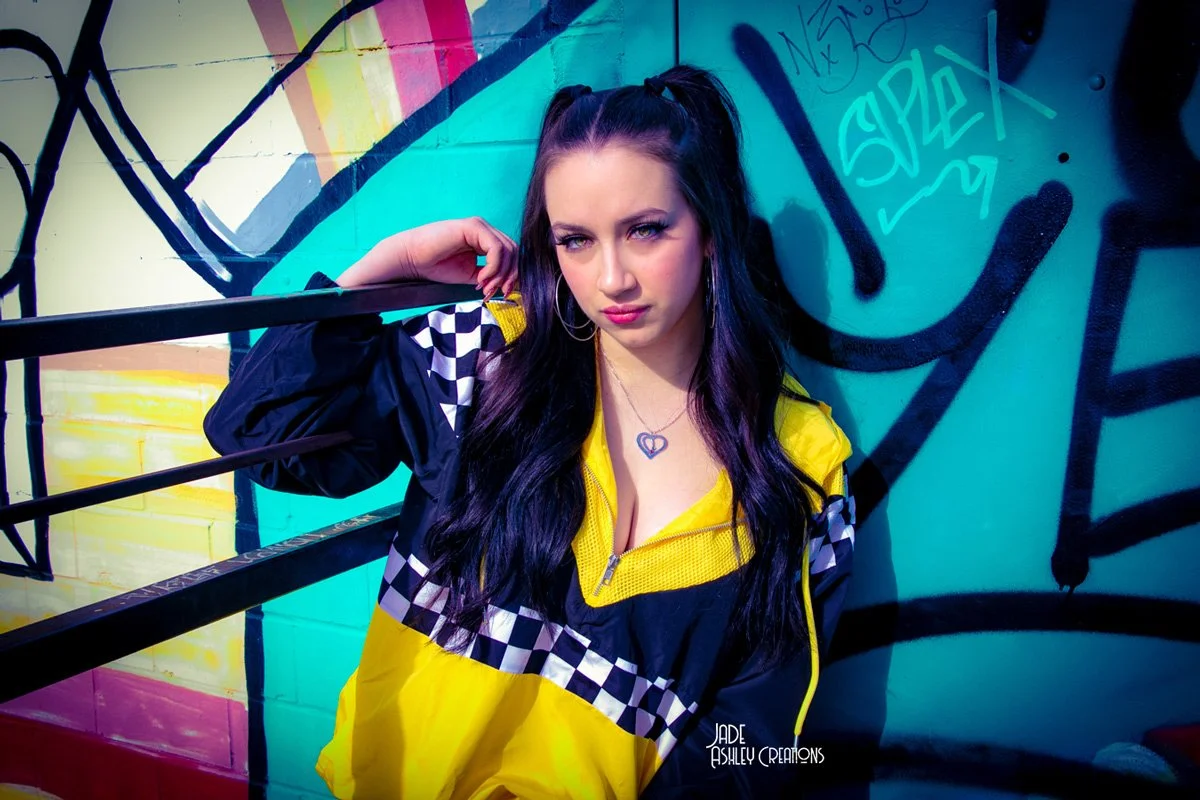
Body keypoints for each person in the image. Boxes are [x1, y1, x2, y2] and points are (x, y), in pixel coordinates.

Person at [204, 65, 855, 798]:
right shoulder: (487, 366)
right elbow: (257, 432)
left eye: (645, 230)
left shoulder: (799, 465)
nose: (612, 278)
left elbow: (750, 740)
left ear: (709, 231)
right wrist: (388, 269)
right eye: (576, 241)